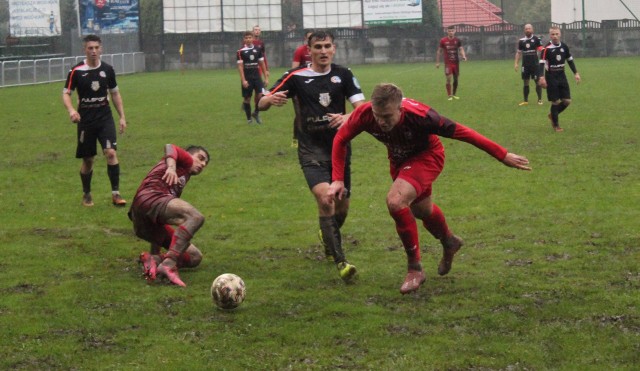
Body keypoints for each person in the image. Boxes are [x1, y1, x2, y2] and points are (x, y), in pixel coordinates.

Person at [328, 83, 531, 294]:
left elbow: (464, 132)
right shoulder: (365, 114)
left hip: (427, 157)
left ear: (400, 109)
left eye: (387, 116)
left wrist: (502, 154)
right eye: (378, 115)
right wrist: (338, 179)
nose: (381, 121)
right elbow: (341, 138)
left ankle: (415, 268)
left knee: (396, 201)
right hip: (399, 160)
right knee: (421, 211)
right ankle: (449, 241)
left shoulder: (422, 116)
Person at [258, 30, 365, 282]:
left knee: (342, 205)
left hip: (339, 148)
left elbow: (362, 109)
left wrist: (347, 117)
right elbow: (261, 102)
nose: (323, 51)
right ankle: (342, 262)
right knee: (326, 197)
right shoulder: (296, 77)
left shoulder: (344, 74)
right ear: (310, 50)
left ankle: (327, 233)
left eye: (327, 46)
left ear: (334, 48)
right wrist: (269, 99)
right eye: (318, 47)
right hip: (310, 149)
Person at [129, 144, 210, 287]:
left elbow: (158, 221)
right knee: (195, 217)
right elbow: (170, 147)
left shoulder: (181, 179)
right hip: (150, 197)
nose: (203, 164)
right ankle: (169, 264)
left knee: (194, 257)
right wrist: (171, 168)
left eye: (205, 163)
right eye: (201, 158)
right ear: (188, 154)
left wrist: (154, 253)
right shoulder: (184, 161)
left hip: (141, 222)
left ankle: (153, 260)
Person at [62, 34, 127, 207]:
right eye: (90, 48)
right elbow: (66, 93)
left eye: (96, 48)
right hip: (86, 120)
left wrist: (122, 116)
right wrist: (71, 111)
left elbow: (115, 93)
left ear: (101, 49)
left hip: (105, 118)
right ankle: (87, 194)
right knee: (88, 159)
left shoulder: (108, 69)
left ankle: (116, 194)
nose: (93, 51)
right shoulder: (76, 71)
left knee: (111, 153)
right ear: (85, 49)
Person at [538, 26, 581, 132]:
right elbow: (541, 64)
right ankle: (556, 125)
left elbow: (569, 60)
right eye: (553, 34)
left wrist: (576, 73)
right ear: (550, 35)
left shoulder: (564, 47)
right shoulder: (546, 49)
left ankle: (553, 115)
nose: (555, 36)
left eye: (557, 34)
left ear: (560, 34)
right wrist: (541, 77)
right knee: (555, 102)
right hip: (551, 77)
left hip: (562, 76)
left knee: (567, 101)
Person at [237, 30, 269, 124]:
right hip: (247, 78)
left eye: (250, 37)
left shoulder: (258, 49)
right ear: (244, 39)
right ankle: (249, 119)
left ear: (252, 38)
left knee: (260, 95)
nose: (248, 39)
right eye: (246, 38)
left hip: (257, 77)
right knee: (247, 99)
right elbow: (240, 67)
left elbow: (262, 64)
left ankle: (256, 112)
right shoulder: (240, 52)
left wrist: (266, 78)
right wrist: (243, 80)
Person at [289, 29, 314, 148]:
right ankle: (296, 138)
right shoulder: (300, 51)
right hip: (300, 89)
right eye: (309, 38)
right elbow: (294, 70)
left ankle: (314, 138)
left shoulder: (319, 50)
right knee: (300, 115)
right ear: (305, 39)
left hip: (314, 89)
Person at [514, 24, 544, 106]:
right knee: (525, 82)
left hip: (535, 65)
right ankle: (525, 101)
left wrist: (543, 50)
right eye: (526, 29)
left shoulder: (537, 39)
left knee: (537, 82)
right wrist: (516, 63)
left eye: (529, 28)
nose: (528, 30)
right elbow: (518, 53)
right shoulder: (521, 41)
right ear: (524, 30)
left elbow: (541, 48)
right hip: (525, 65)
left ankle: (540, 100)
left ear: (532, 29)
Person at [436, 25, 467, 101]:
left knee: (456, 79)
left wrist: (464, 56)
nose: (451, 32)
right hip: (448, 63)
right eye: (449, 31)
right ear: (447, 32)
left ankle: (454, 94)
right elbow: (439, 51)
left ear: (455, 31)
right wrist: (437, 62)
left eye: (452, 31)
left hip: (456, 63)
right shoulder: (443, 40)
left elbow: (461, 49)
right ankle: (449, 95)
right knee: (449, 78)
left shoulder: (457, 40)